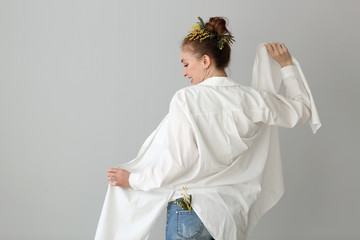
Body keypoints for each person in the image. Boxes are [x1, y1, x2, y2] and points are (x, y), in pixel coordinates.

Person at [98, 16, 321, 240]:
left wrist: (134, 180)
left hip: (191, 210)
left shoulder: (186, 99)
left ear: (205, 61)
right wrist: (287, 66)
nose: (184, 72)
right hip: (230, 216)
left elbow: (180, 162)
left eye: (186, 64)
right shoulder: (252, 99)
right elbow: (300, 111)